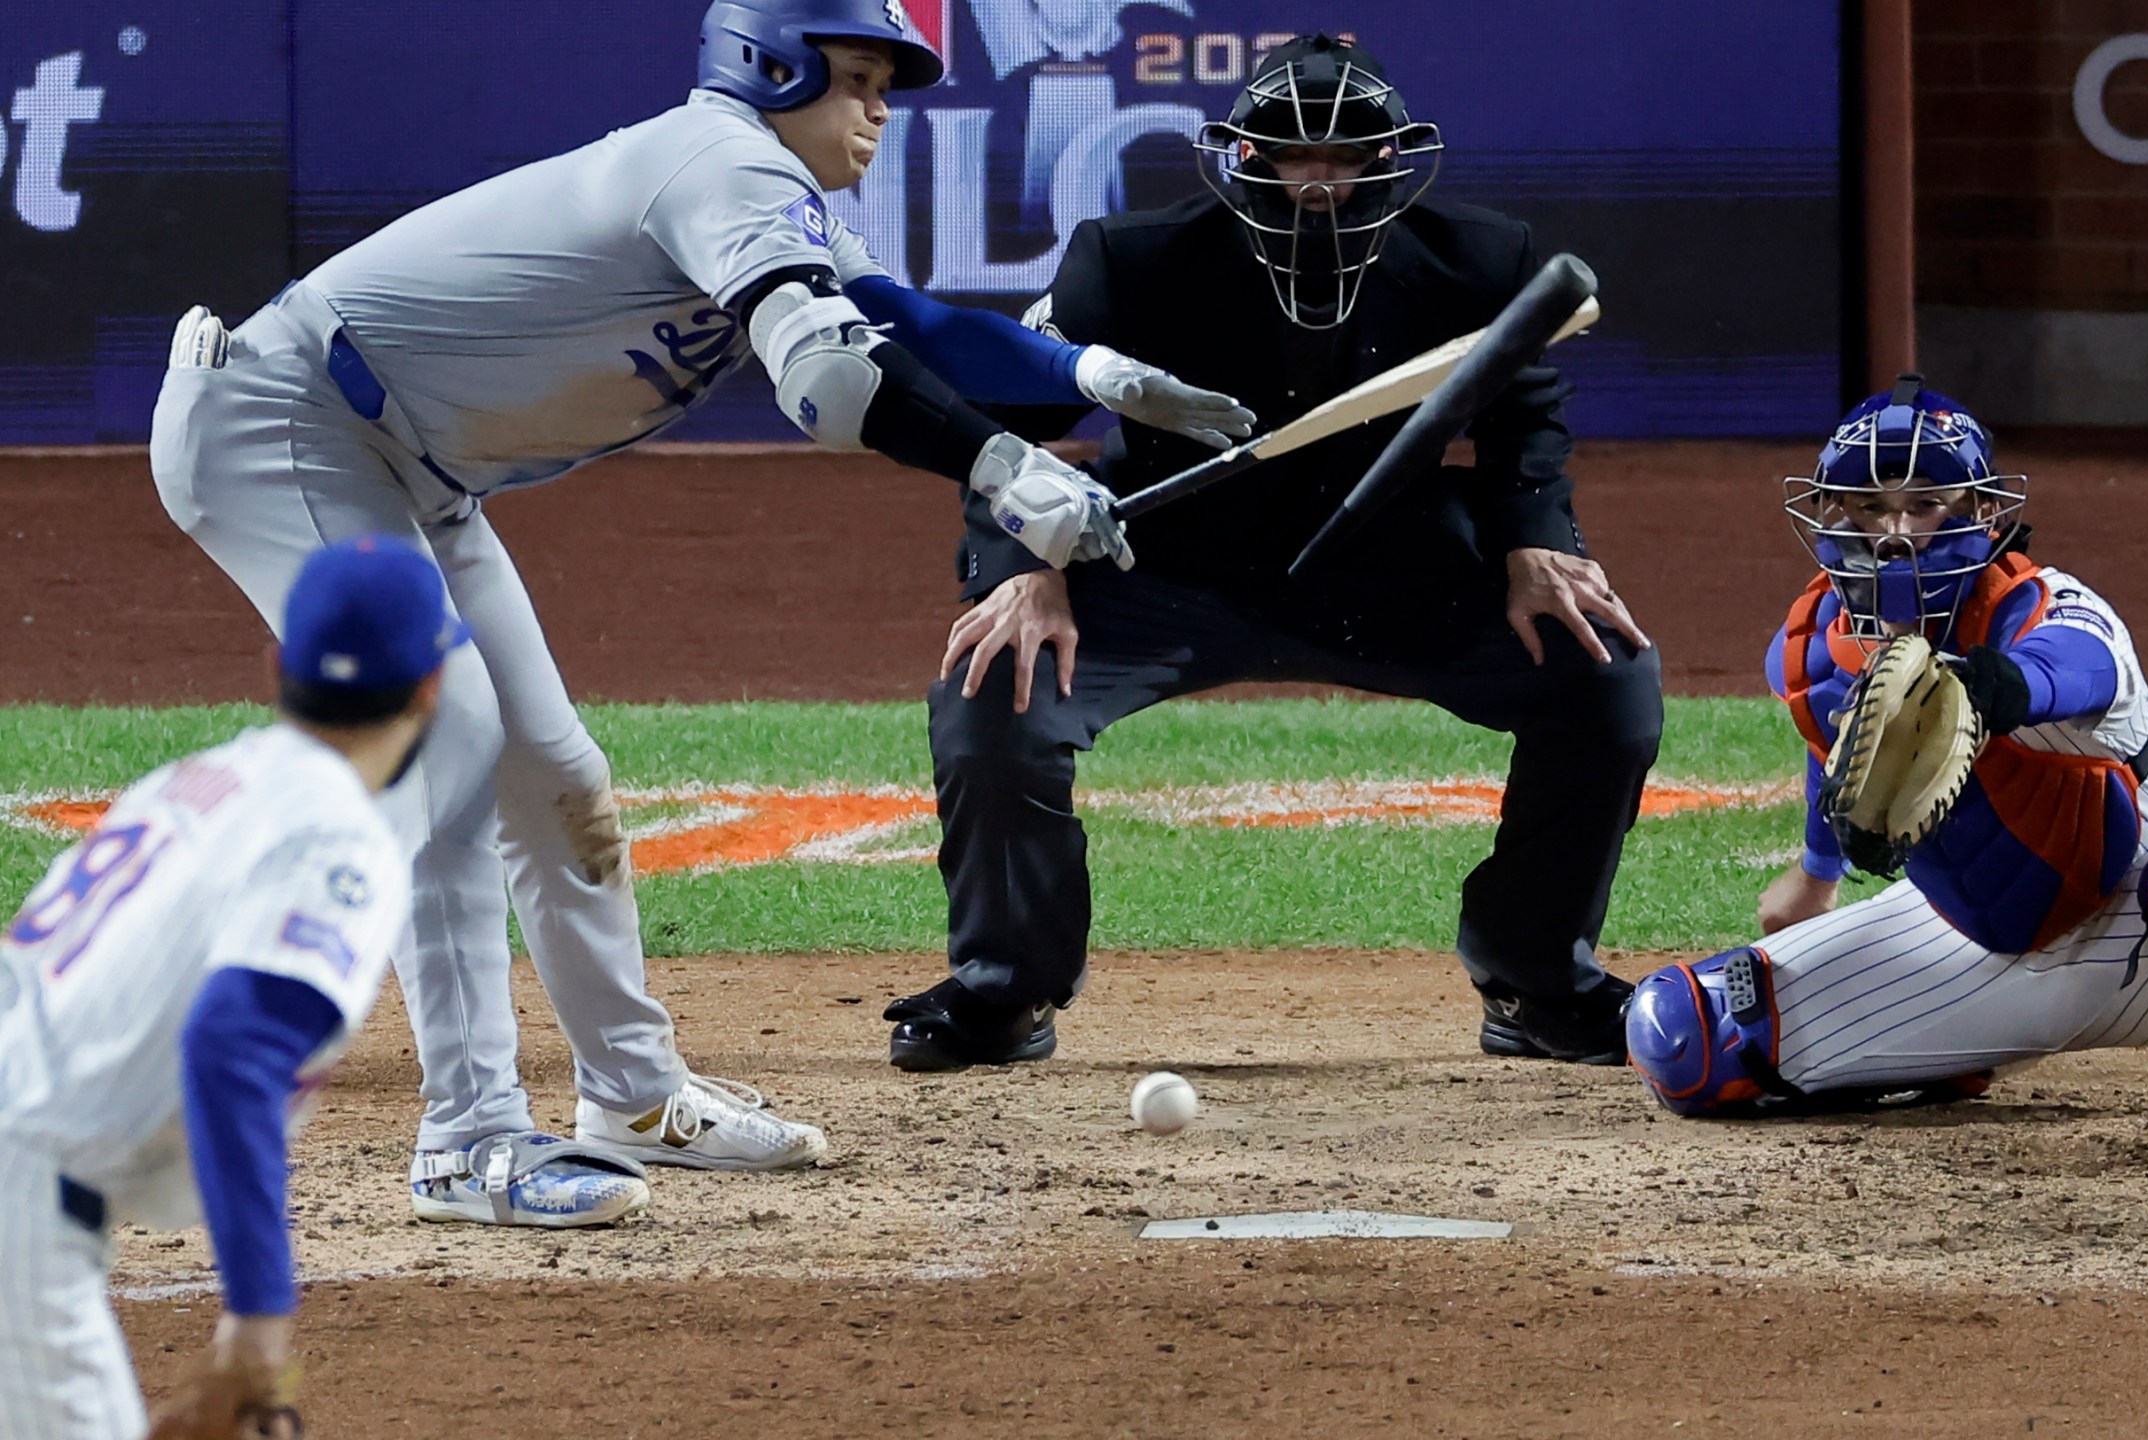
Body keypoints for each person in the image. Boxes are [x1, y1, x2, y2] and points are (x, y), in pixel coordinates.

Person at [148, 0, 1251, 1226]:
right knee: (449, 757)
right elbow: (832, 388)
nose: (879, 107)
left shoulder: (770, 194)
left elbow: (912, 330)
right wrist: (1005, 470)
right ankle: (467, 1142)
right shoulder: (720, 158)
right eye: (856, 78)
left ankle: (632, 1095)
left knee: (553, 774)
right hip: (287, 427)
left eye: (887, 82)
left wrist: (1090, 377)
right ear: (770, 68)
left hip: (410, 470)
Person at [882, 34, 1664, 1071]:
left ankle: (1534, 980)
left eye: (1345, 159)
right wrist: (1024, 567)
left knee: (1604, 676)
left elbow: (1525, 414)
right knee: (995, 684)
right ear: (1239, 159)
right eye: (1290, 158)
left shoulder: (1482, 260)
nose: (1317, 185)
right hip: (1167, 565)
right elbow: (1005, 431)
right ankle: (1003, 992)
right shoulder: (1130, 261)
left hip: (1397, 566)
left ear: (1393, 161)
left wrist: (1535, 541)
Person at [1623, 377, 2148, 1158]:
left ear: (1985, 520)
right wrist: (1814, 874)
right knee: (1684, 1036)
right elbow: (1841, 755)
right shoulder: (1812, 651)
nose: (1891, 533)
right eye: (1866, 507)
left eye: (1924, 505)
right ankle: (1933, 1054)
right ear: (1826, 517)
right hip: (1984, 941)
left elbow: (2079, 670)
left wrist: (1993, 687)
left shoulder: (2048, 607)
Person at [0, 539, 521, 1438]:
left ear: (278, 666)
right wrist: (258, 1319)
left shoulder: (190, 785)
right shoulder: (339, 840)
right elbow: (231, 1045)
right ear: (431, 689)